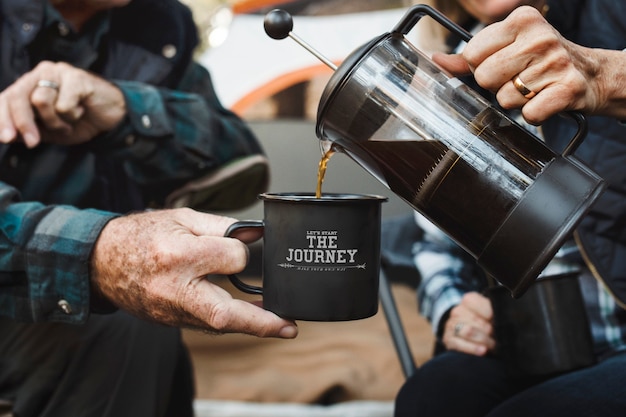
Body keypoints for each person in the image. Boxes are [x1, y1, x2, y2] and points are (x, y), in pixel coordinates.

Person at [0, 1, 298, 416]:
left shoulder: (158, 21)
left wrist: (127, 110)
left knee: (141, 322)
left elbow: (240, 160)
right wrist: (98, 254)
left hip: (106, 316)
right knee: (119, 328)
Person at [395, 0, 626, 416]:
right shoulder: (452, 64)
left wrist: (603, 73)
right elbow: (437, 245)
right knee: (432, 395)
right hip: (534, 342)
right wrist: (454, 309)